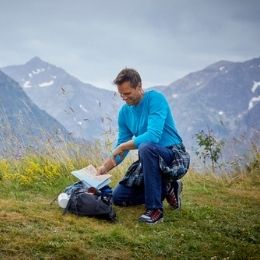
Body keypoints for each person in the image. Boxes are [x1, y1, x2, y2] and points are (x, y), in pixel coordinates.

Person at [97, 68, 190, 224]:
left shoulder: (156, 99)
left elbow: (153, 136)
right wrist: (103, 169)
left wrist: (124, 146)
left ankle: (155, 210)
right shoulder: (124, 113)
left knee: (146, 147)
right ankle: (166, 187)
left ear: (139, 87)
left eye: (127, 94)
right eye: (121, 94)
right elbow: (121, 146)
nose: (124, 98)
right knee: (118, 197)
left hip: (171, 155)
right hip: (149, 158)